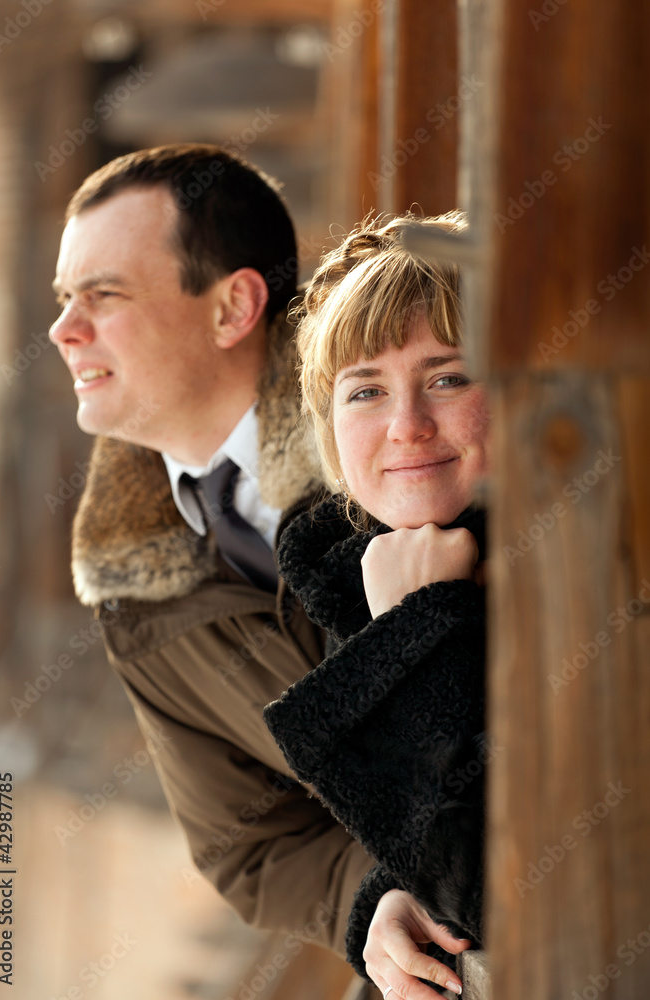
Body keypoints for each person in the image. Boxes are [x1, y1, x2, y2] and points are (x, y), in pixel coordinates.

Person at [48, 144, 378, 962]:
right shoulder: (131, 587)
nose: (62, 330)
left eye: (103, 295)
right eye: (62, 300)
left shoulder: (390, 439)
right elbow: (250, 848)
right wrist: (371, 902)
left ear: (232, 308)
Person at [264, 211, 490, 999]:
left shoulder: (592, 574)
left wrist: (419, 627)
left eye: (447, 376)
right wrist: (384, 903)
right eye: (364, 390)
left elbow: (497, 883)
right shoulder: (349, 583)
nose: (406, 426)